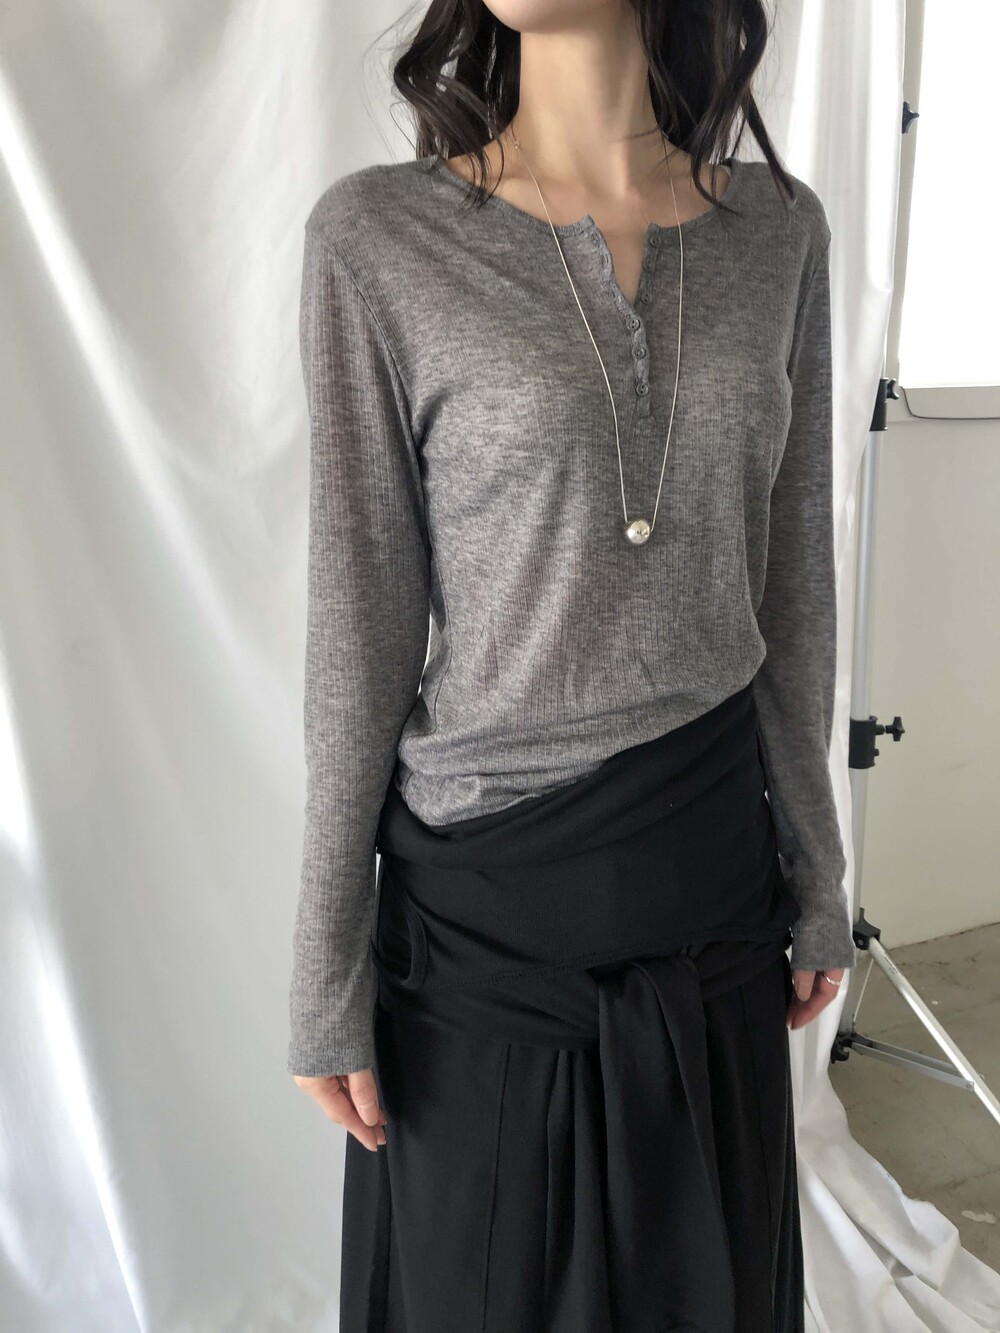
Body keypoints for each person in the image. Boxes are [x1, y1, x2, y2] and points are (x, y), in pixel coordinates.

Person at [288, 1, 855, 1328]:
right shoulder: (380, 238)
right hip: (484, 921)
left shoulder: (782, 233)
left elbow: (792, 587)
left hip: (710, 887)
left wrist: (818, 871)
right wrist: (324, 967)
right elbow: (360, 626)